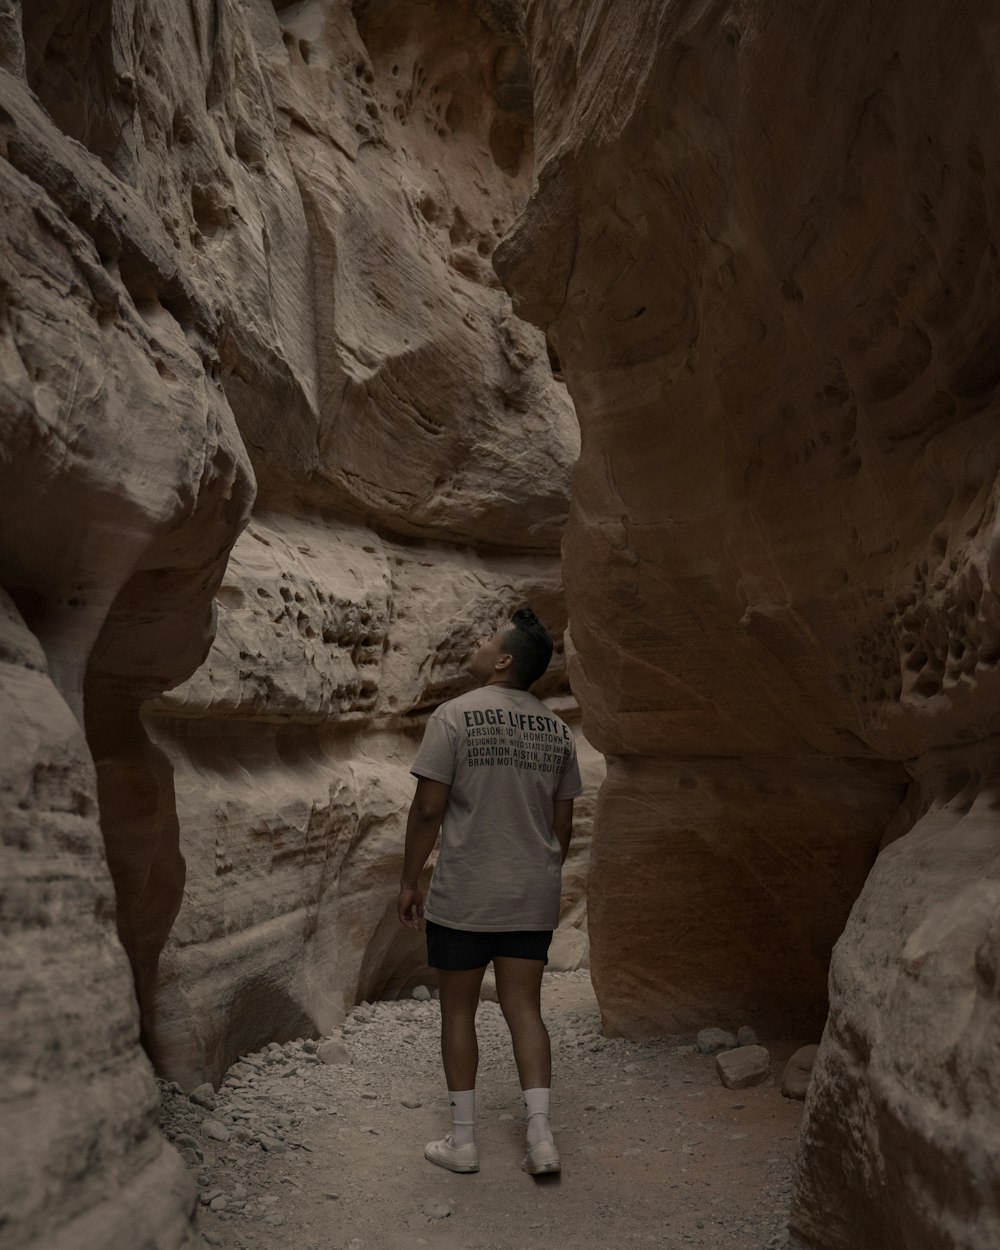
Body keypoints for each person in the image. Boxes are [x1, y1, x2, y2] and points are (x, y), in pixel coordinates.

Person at [397, 607, 582, 1176]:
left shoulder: (453, 716)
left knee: (458, 1010)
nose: (476, 641)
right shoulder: (556, 729)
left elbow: (429, 807)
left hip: (467, 891)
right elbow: (564, 823)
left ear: (503, 660)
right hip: (530, 890)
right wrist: (540, 867)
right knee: (524, 1006)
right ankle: (542, 1136)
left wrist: (407, 879)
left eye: (486, 637)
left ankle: (463, 1142)